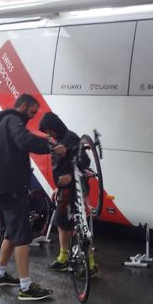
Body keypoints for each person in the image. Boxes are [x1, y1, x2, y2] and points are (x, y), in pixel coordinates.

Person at [0, 94, 65, 301]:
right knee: (22, 235)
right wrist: (50, 145)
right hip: (13, 189)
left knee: (12, 233)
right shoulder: (13, 121)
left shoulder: (3, 124)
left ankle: (0, 274)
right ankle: (26, 287)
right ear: (22, 106)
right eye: (31, 112)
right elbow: (24, 140)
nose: (31, 117)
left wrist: (0, 178)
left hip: (5, 187)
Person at [38, 112, 99, 277]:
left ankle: (91, 265)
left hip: (77, 189)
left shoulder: (70, 138)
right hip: (65, 190)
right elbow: (63, 166)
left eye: (48, 130)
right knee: (61, 222)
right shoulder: (59, 140)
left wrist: (71, 177)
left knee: (82, 227)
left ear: (54, 126)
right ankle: (64, 258)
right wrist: (58, 187)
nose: (48, 134)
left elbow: (85, 161)